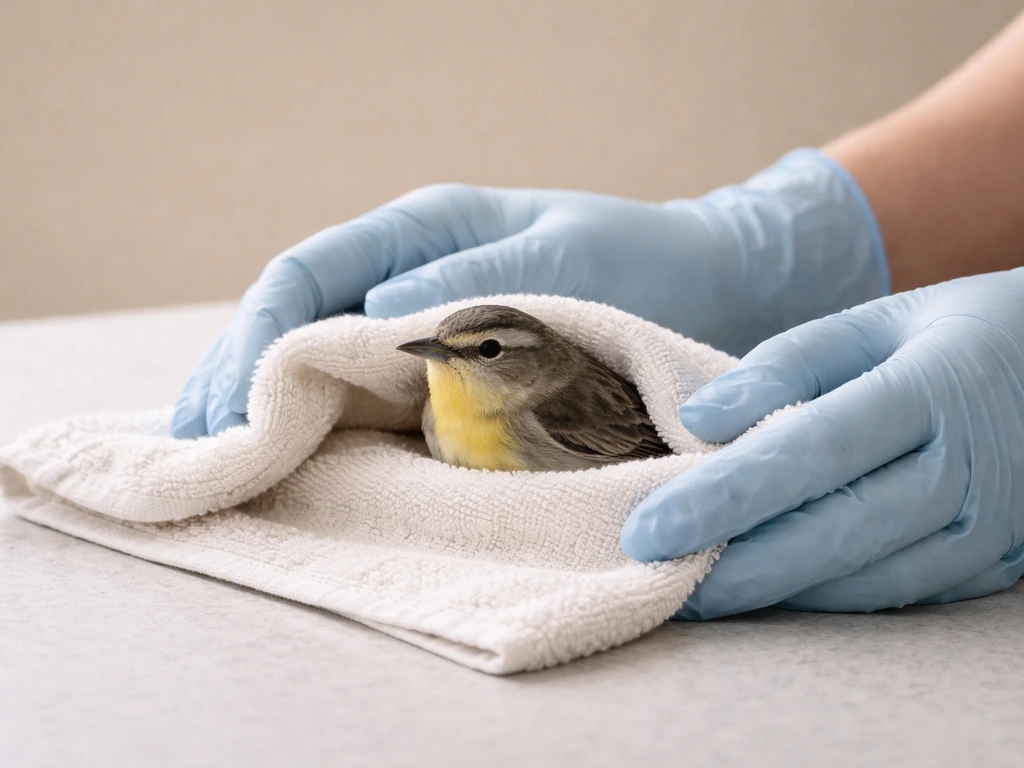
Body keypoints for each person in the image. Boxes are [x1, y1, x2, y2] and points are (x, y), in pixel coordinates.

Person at [171, 13, 1024, 619]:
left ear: (533, 365)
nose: (439, 354)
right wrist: (804, 231)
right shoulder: (440, 404)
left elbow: (665, 452)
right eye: (444, 347)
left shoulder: (555, 408)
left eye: (489, 351)